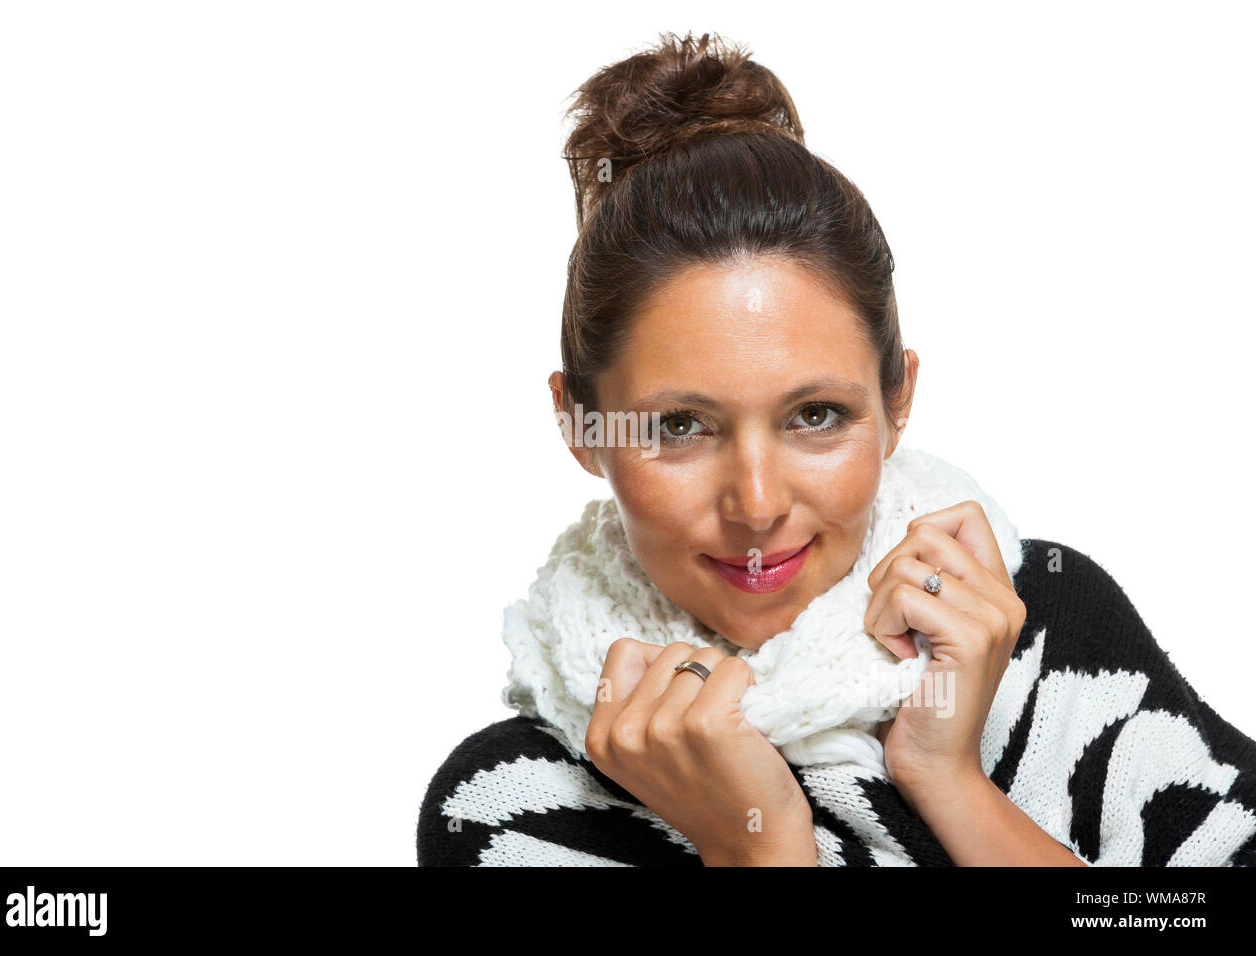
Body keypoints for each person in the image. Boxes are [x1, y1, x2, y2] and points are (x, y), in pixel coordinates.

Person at [416, 31, 1256, 866]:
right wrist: (762, 848)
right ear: (580, 426)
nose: (756, 504)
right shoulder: (512, 806)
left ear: (898, 402)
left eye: (814, 415)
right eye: (680, 426)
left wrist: (950, 780)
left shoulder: (1049, 636)